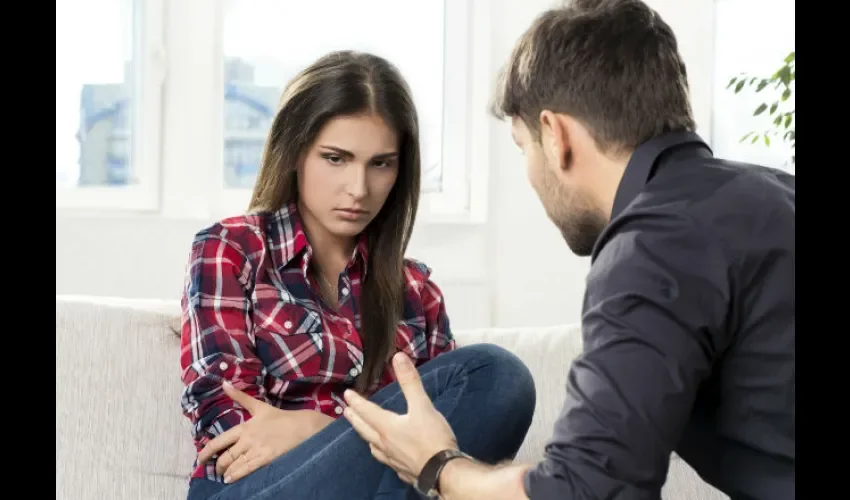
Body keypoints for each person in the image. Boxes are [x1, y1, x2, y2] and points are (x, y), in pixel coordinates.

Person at [343, 1, 795, 499]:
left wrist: (438, 467)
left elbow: (585, 491)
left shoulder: (655, 243)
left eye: (523, 147)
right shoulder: (772, 194)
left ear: (555, 136)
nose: (532, 175)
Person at [178, 51, 536, 500]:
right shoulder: (231, 249)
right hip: (253, 490)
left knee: (499, 377)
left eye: (380, 163)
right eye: (336, 158)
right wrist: (379, 441)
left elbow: (442, 445)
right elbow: (228, 422)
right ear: (295, 152)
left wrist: (314, 426)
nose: (358, 188)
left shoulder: (417, 291)